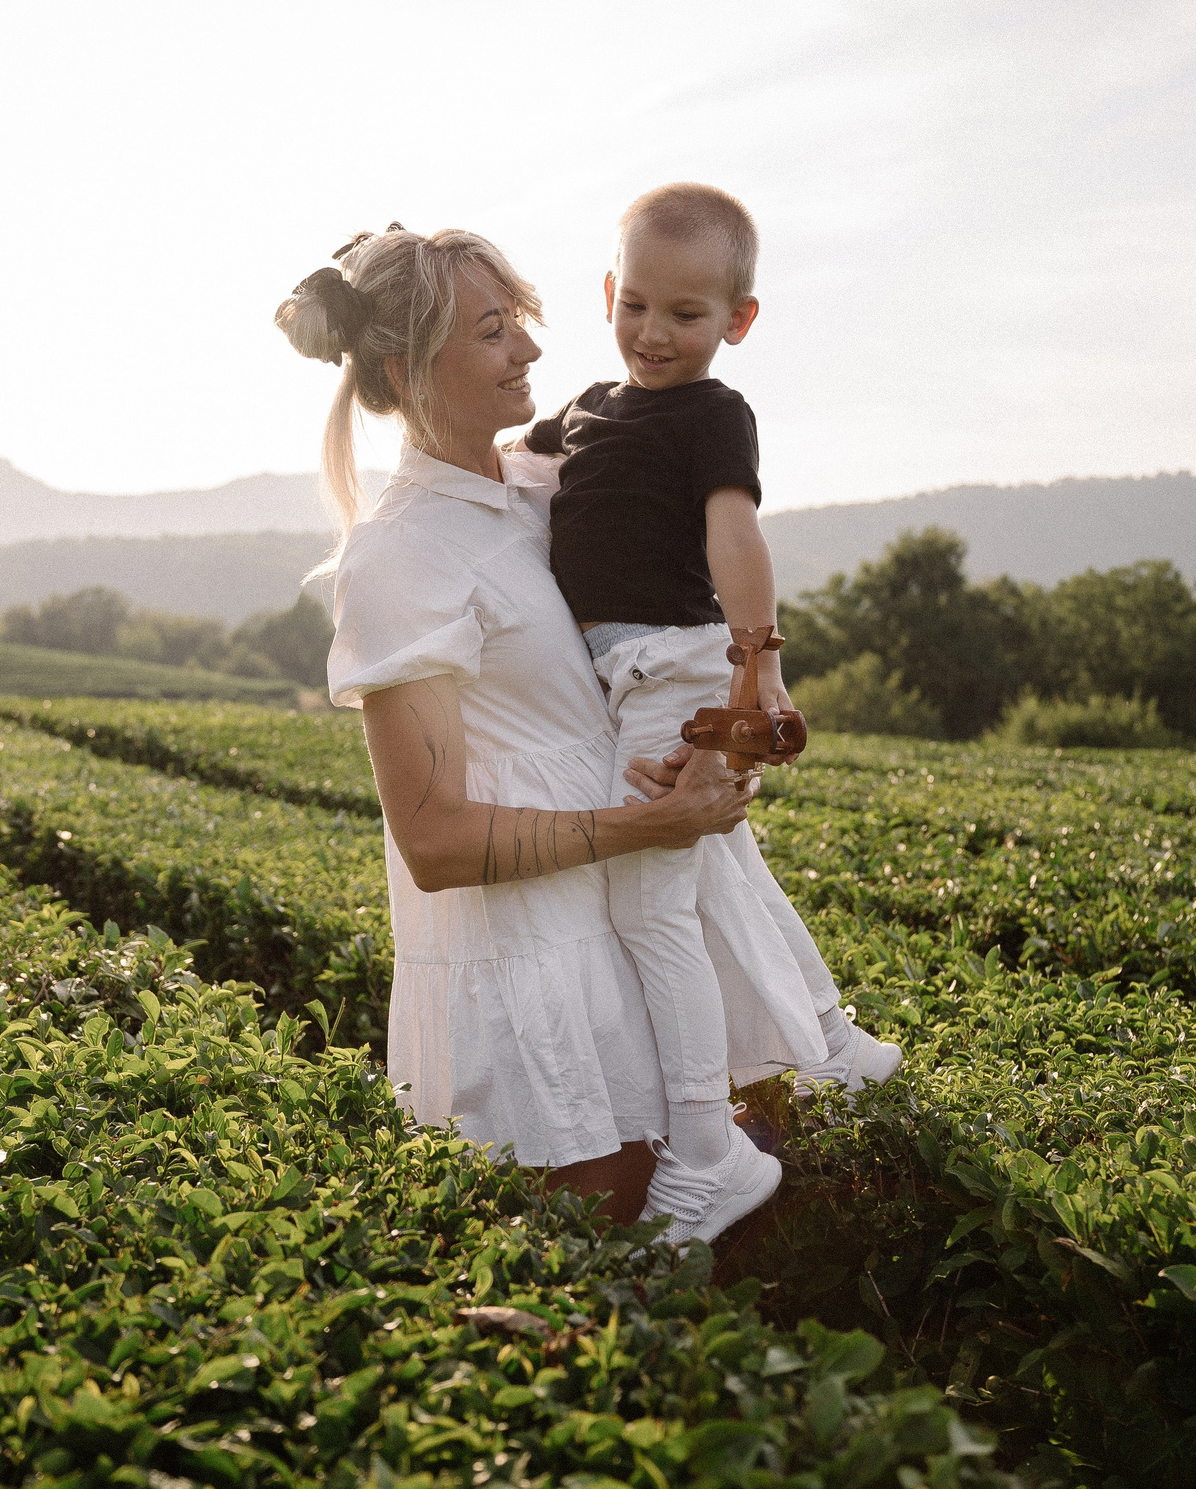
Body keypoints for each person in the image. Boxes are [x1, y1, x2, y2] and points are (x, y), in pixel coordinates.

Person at [274, 222, 759, 1224]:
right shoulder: (400, 554)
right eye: (495, 331)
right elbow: (435, 842)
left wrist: (710, 754)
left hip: (639, 921)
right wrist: (643, 827)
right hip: (543, 972)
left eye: (523, 322)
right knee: (602, 1282)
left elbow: (643, 674)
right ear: (409, 370)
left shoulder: (545, 489)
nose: (531, 350)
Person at [521, 183, 903, 1241]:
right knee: (717, 872)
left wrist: (758, 665)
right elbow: (510, 474)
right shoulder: (590, 407)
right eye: (635, 304)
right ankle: (836, 1048)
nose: (653, 334)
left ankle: (705, 1153)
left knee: (650, 907)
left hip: (676, 671)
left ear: (736, 322)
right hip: (626, 678)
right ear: (608, 291)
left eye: (686, 316)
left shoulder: (710, 413)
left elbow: (734, 537)